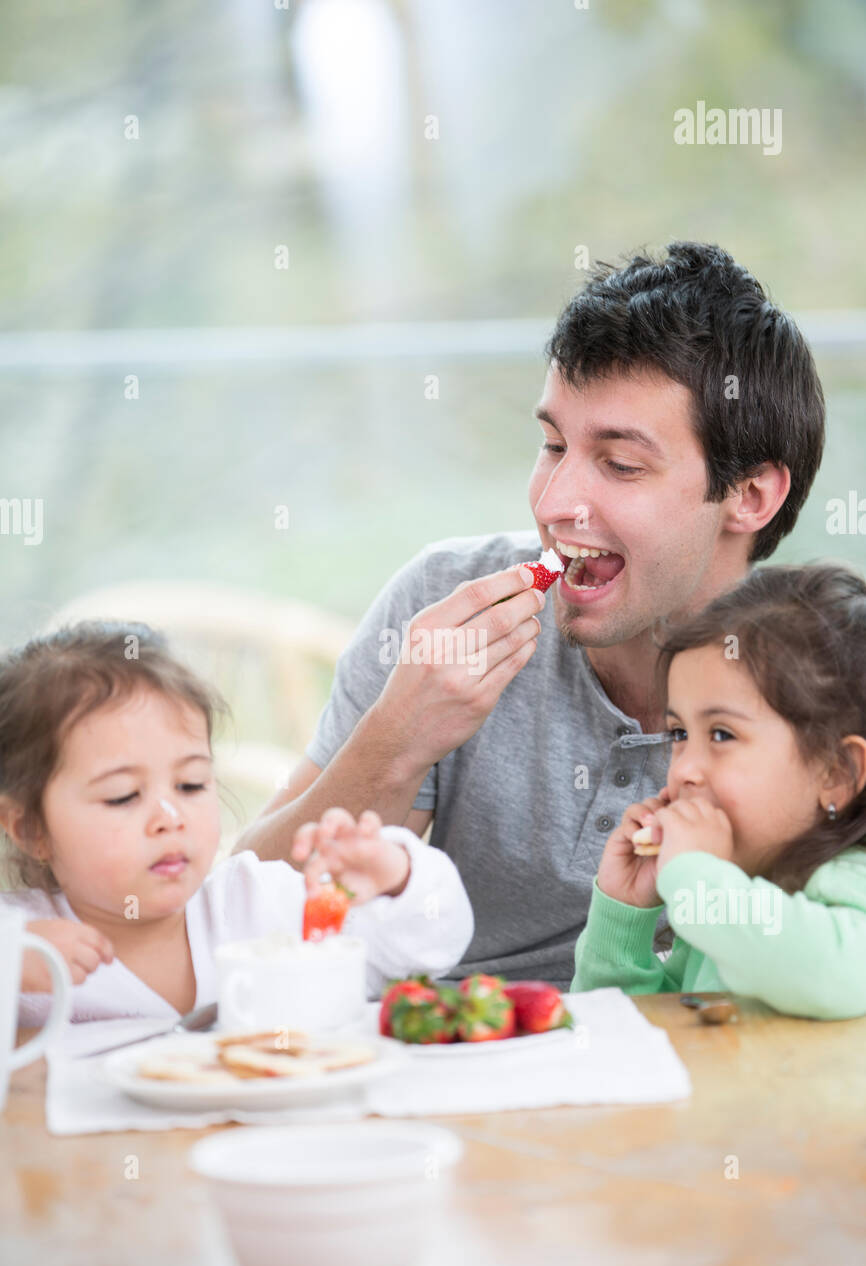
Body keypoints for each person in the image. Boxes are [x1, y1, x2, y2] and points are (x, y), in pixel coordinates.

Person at [236, 241, 826, 991]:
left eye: (620, 464)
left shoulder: (820, 682)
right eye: (552, 445)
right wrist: (395, 740)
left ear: (749, 496)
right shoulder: (441, 600)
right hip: (437, 1055)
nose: (552, 504)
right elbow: (238, 925)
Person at [0, 623, 473, 1026]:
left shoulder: (260, 904)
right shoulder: (22, 940)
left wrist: (395, 877)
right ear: (29, 830)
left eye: (190, 785)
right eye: (123, 796)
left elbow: (430, 949)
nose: (170, 819)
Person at [572, 563, 866, 1018]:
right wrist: (624, 916)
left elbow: (834, 976)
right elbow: (630, 1039)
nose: (684, 770)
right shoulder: (728, 893)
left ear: (836, 773)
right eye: (678, 734)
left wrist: (695, 876)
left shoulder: (848, 882)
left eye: (723, 735)